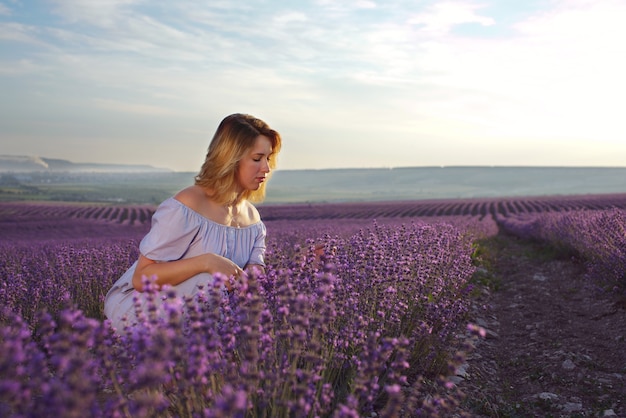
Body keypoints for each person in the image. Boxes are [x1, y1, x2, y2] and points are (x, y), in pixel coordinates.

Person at [104, 113, 281, 331]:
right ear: (230, 159)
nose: (266, 168)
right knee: (209, 282)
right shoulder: (188, 205)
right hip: (142, 308)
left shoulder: (253, 220)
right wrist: (205, 262)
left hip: (207, 313)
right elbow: (142, 278)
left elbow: (254, 277)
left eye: (268, 159)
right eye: (257, 159)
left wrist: (303, 264)